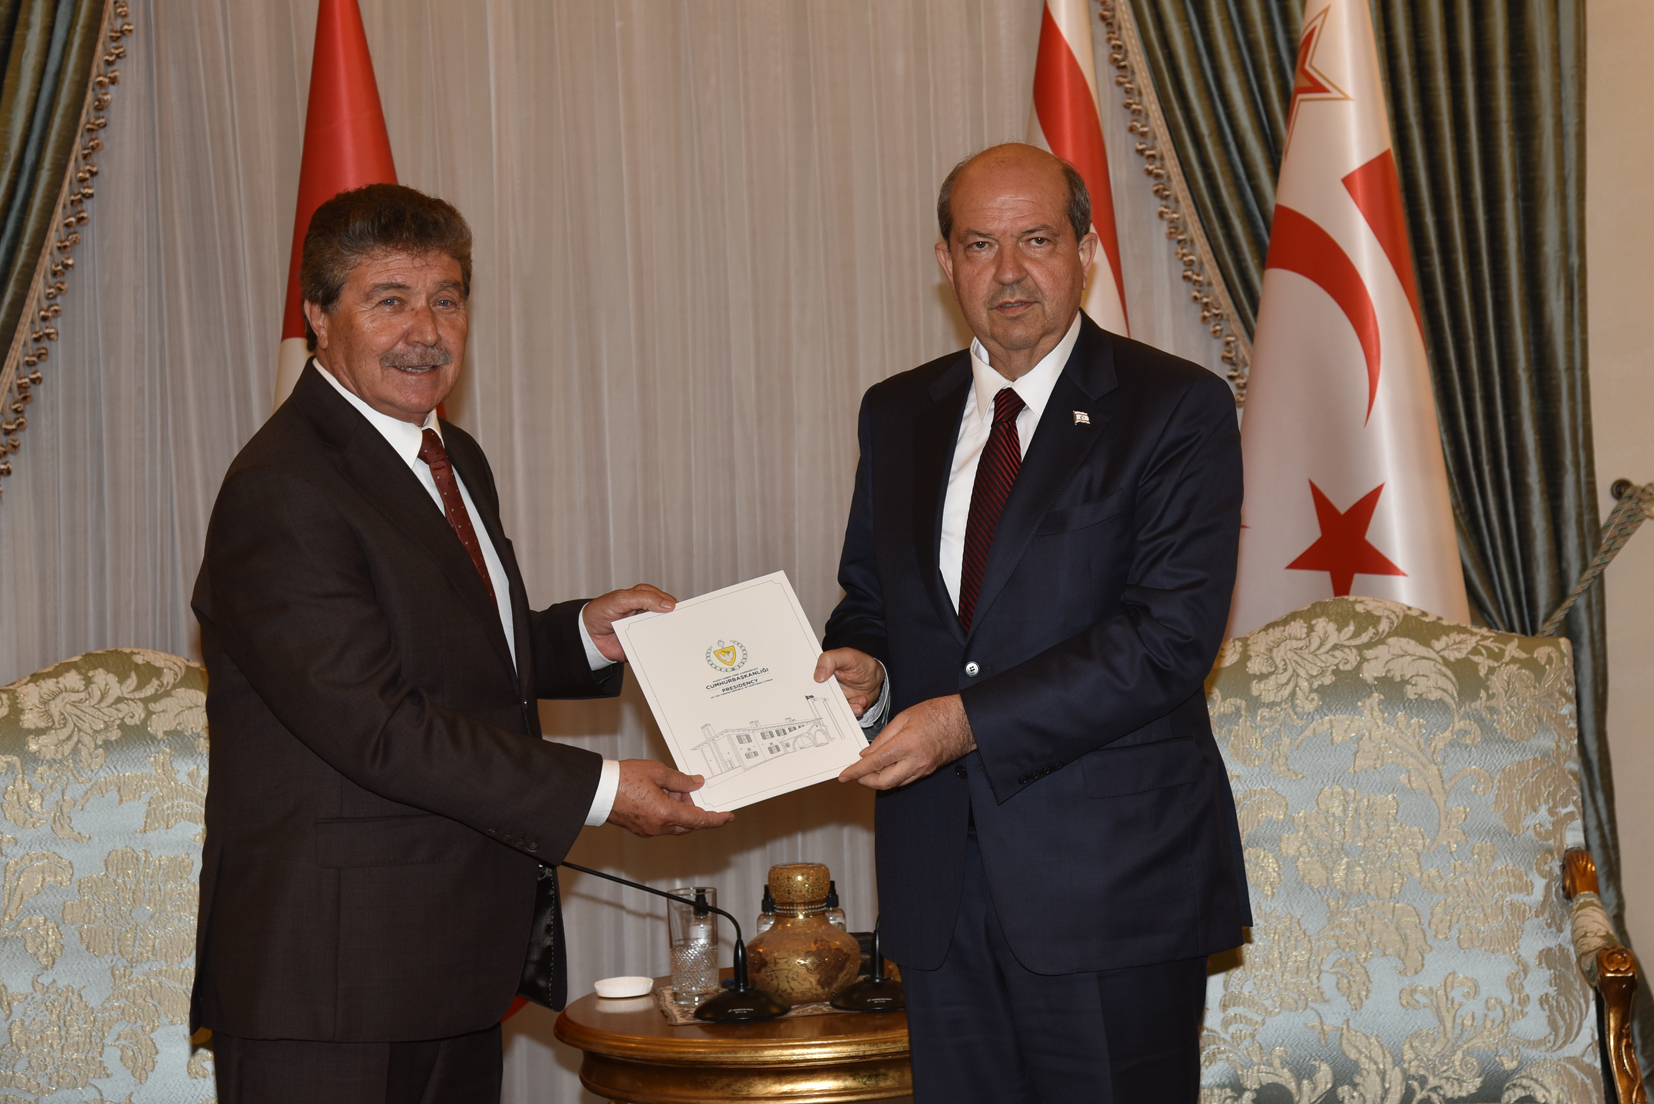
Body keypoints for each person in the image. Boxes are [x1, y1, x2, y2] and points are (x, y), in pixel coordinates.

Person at [191, 183, 732, 1104]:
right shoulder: (283, 488)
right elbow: (376, 725)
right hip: (331, 979)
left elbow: (448, 648)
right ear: (318, 316)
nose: (426, 331)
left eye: (446, 299)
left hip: (453, 958)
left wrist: (583, 636)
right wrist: (603, 790)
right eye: (389, 300)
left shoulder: (450, 454)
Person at [815, 144, 1250, 1102]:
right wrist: (864, 664)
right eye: (980, 245)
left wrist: (963, 723)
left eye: (1037, 241)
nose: (1008, 272)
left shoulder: (1174, 408)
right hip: (938, 883)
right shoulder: (897, 412)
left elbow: (1168, 640)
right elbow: (873, 595)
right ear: (946, 262)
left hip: (1111, 883)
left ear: (1085, 251)